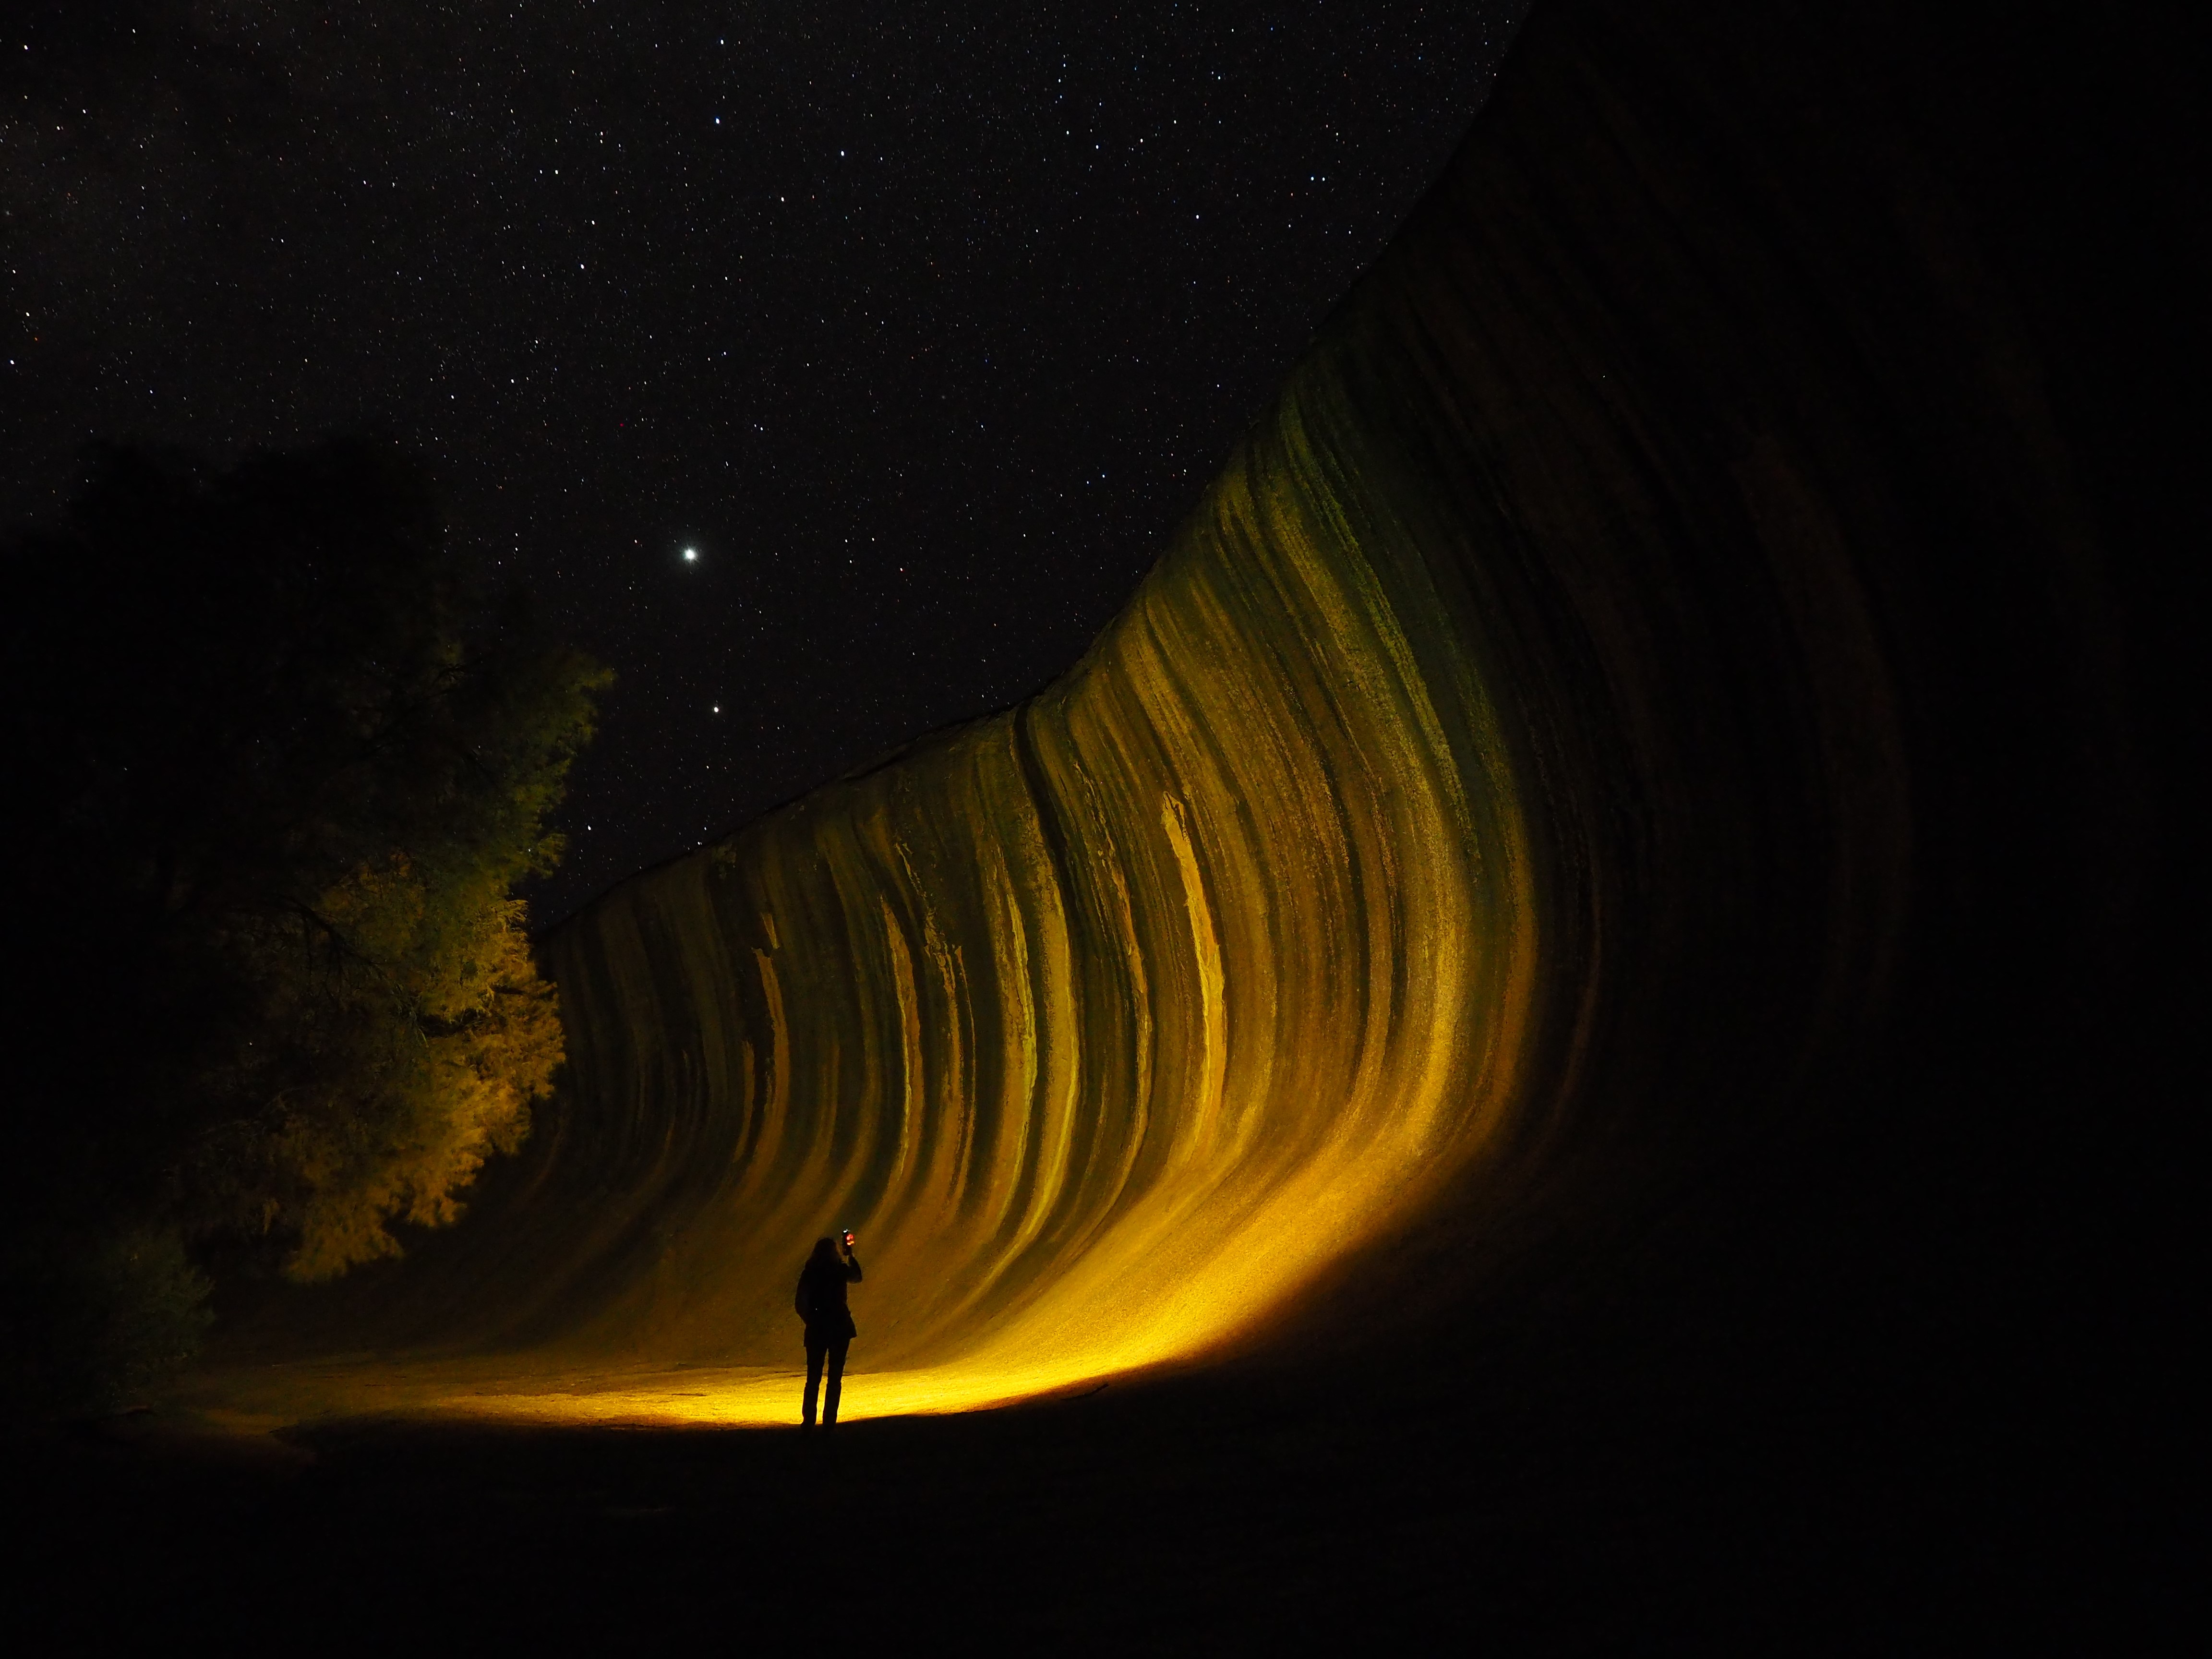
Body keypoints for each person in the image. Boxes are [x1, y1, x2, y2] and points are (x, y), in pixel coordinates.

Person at [794, 1231, 863, 1428]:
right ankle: (829, 1424)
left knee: (813, 1378)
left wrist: (811, 1320)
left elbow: (800, 1302)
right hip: (840, 1327)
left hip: (818, 1328)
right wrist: (850, 1254)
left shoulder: (811, 1272)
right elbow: (857, 1277)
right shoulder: (838, 1270)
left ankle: (809, 1423)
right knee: (835, 1378)